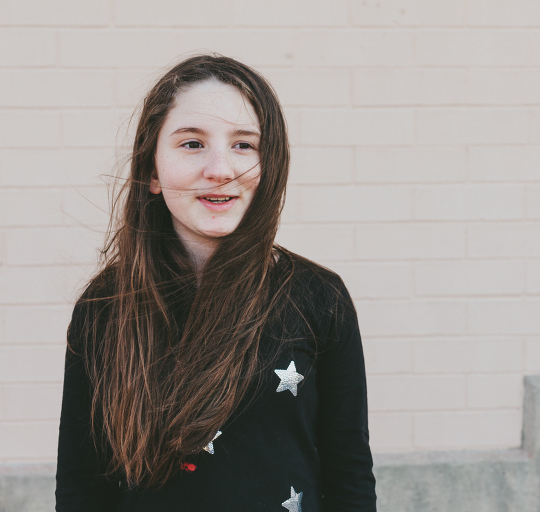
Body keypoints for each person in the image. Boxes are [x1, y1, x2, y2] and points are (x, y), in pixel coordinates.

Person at [55, 54, 376, 512]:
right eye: (192, 144)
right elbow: (81, 487)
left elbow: (350, 479)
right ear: (151, 170)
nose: (220, 169)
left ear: (270, 165)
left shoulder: (319, 298)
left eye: (244, 145)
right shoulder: (105, 305)